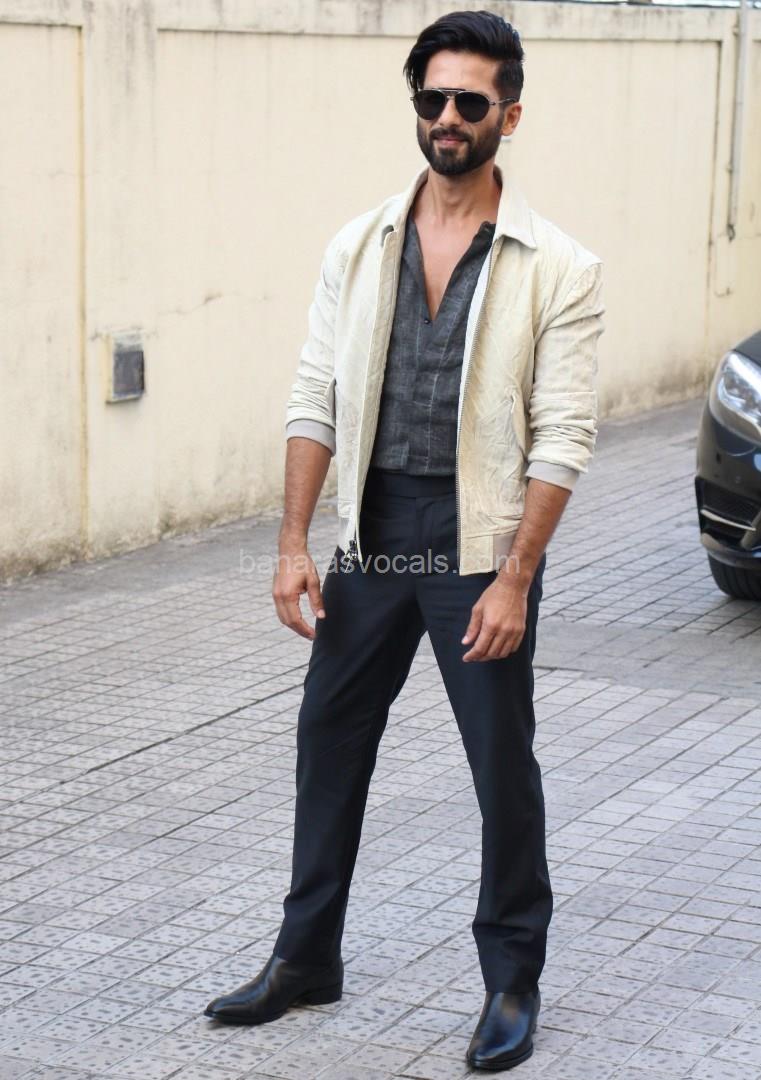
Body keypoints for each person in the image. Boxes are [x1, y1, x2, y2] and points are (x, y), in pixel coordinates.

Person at [204, 8, 605, 1071]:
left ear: (507, 116)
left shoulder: (556, 264)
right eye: (432, 97)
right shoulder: (360, 244)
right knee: (327, 740)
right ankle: (305, 959)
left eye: (470, 101)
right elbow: (314, 393)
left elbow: (564, 435)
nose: (446, 116)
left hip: (478, 543)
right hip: (375, 534)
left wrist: (514, 578)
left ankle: (510, 980)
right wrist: (293, 542)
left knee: (498, 764)